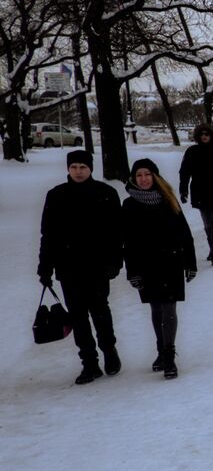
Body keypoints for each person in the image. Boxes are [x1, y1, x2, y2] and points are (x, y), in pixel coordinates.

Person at [37, 149, 123, 384]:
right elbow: (49, 235)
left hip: (98, 266)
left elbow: (116, 233)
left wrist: (115, 261)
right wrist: (45, 268)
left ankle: (109, 351)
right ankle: (89, 362)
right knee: (78, 316)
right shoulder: (56, 195)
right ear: (68, 169)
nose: (78, 171)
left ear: (91, 169)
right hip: (68, 267)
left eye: (83, 167)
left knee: (100, 311)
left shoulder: (106, 193)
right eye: (74, 167)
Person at [122, 158, 197, 379]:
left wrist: (190, 263)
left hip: (170, 261)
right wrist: (132, 271)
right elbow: (127, 242)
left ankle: (169, 355)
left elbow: (185, 234)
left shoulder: (168, 199)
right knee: (155, 309)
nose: (143, 179)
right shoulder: (129, 205)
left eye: (147, 174)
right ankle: (161, 351)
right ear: (133, 179)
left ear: (155, 176)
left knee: (169, 309)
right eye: (139, 175)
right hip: (146, 265)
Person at [178, 123, 213, 265]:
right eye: (202, 134)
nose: (204, 137)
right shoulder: (192, 152)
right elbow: (184, 172)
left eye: (207, 134)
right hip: (200, 192)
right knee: (207, 224)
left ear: (212, 136)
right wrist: (183, 190)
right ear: (198, 136)